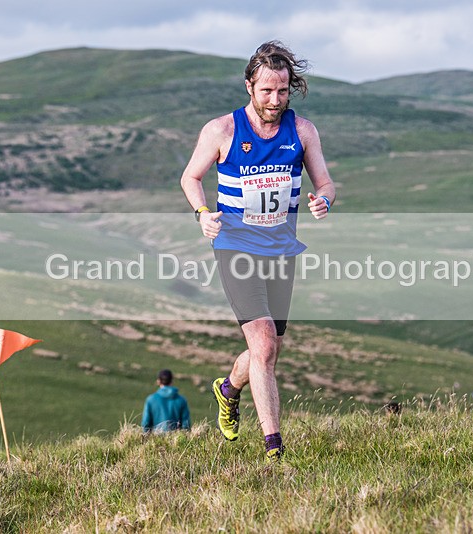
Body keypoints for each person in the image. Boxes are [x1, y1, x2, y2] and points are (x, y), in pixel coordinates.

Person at [180, 40, 335, 461]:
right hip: (236, 247)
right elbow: (190, 177)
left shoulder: (303, 131)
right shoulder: (222, 130)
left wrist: (323, 199)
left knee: (269, 349)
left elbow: (325, 182)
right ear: (249, 86)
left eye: (282, 91)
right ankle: (273, 448)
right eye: (266, 90)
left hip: (282, 249)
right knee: (263, 344)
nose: (275, 100)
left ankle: (228, 388)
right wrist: (202, 214)